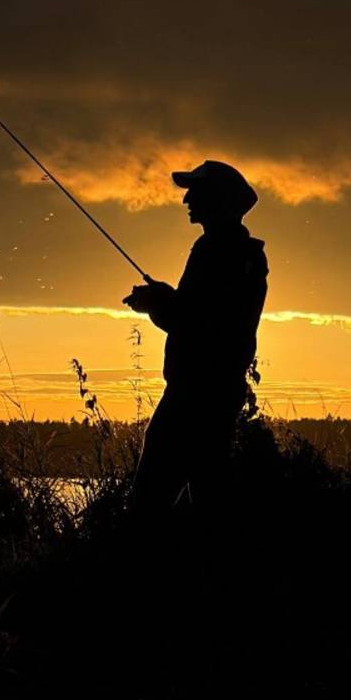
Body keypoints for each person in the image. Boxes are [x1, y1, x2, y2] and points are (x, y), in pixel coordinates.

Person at [124, 160, 268, 511]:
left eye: (196, 192)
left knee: (150, 498)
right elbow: (201, 312)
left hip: (196, 393)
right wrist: (164, 298)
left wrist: (157, 303)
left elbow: (197, 322)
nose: (186, 200)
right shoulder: (233, 251)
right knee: (209, 490)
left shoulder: (217, 251)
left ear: (219, 200)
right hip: (216, 390)